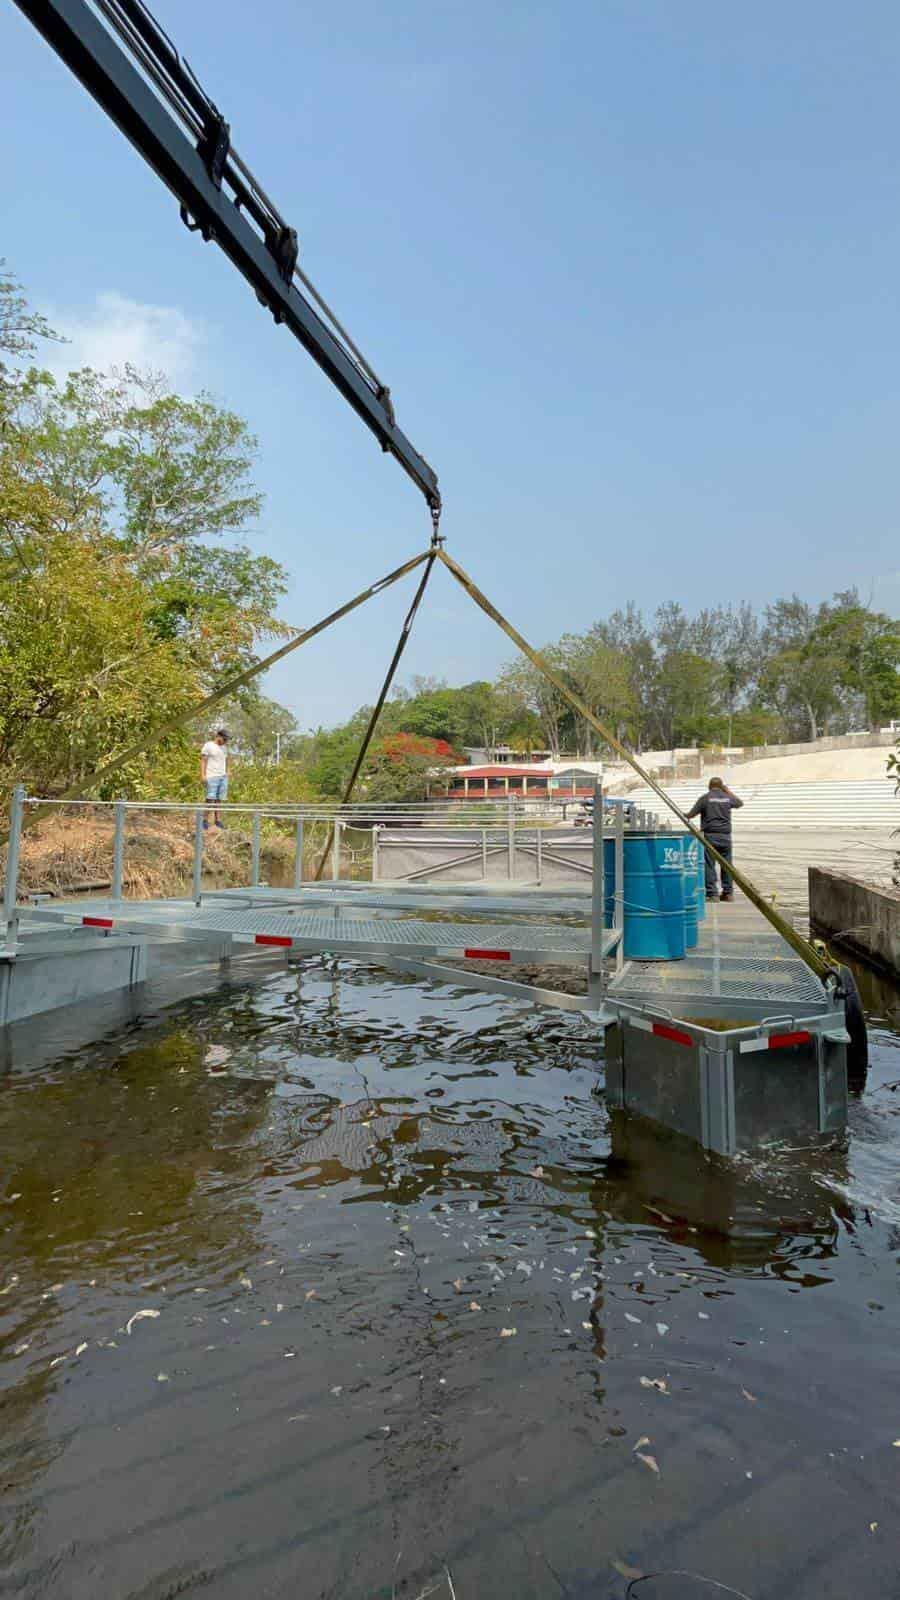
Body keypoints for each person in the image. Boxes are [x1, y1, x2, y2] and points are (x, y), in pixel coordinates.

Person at [686, 776, 743, 901]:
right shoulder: (727, 798)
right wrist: (727, 791)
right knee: (727, 865)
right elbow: (739, 803)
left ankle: (712, 894)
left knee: (709, 865)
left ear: (709, 786)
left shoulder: (705, 798)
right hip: (726, 837)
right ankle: (728, 893)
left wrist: (684, 815)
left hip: (710, 836)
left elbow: (691, 814)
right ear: (721, 786)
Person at [200, 729, 229, 830]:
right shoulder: (209, 745)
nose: (225, 741)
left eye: (226, 740)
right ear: (218, 736)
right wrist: (203, 775)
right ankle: (204, 820)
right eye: (224, 739)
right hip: (212, 776)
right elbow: (203, 760)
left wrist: (228, 771)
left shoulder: (225, 748)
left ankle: (218, 821)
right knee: (210, 799)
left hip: (223, 776)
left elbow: (226, 760)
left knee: (219, 799)